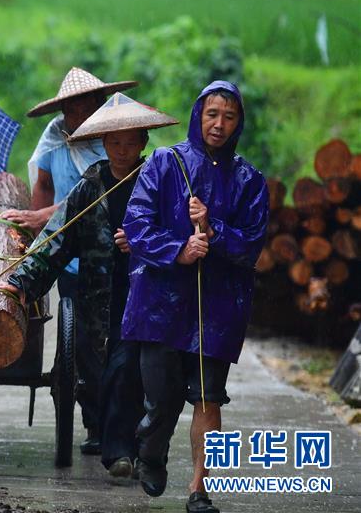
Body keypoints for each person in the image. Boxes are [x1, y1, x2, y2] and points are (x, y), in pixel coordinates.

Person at [0, 93, 178, 479]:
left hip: (144, 295)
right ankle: (118, 444)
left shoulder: (156, 183)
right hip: (96, 294)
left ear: (143, 142)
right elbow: (58, 237)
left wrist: (143, 242)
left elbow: (175, 236)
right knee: (99, 369)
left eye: (130, 142)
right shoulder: (91, 185)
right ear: (104, 142)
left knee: (130, 368)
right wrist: (22, 281)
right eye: (115, 141)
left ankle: (122, 450)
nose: (122, 149)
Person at [121, 81, 268, 513]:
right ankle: (151, 452)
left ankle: (199, 488)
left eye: (229, 117)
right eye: (212, 114)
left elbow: (252, 244)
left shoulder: (250, 180)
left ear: (239, 123)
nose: (219, 124)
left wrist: (214, 229)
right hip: (161, 306)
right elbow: (137, 225)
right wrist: (179, 250)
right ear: (198, 115)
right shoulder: (165, 163)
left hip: (219, 308)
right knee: (161, 399)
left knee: (209, 398)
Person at [1, 67, 137, 455]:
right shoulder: (64, 148)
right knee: (86, 348)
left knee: (129, 351)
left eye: (85, 105)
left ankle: (127, 433)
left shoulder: (140, 171)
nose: (77, 113)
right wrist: (32, 247)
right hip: (80, 265)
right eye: (70, 107)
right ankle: (96, 425)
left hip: (130, 271)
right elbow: (55, 203)